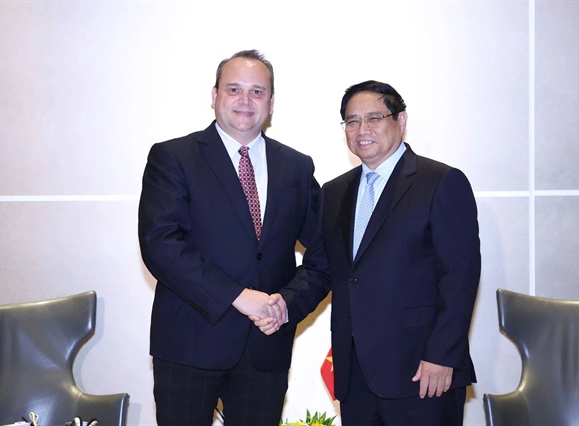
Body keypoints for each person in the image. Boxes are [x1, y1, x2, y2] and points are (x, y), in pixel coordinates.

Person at [262, 80, 481, 425]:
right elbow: (322, 269)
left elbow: (460, 277)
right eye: (352, 121)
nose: (362, 129)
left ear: (401, 120)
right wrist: (284, 305)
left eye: (374, 118)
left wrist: (443, 356)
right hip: (355, 373)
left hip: (421, 373)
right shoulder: (335, 192)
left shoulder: (440, 182)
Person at [138, 49, 319, 426]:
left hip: (266, 346)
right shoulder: (173, 157)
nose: (244, 100)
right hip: (189, 343)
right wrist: (238, 297)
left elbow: (324, 254)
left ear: (271, 102)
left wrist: (286, 304)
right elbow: (161, 244)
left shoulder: (297, 167)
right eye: (234, 89)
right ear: (214, 95)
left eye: (257, 92)